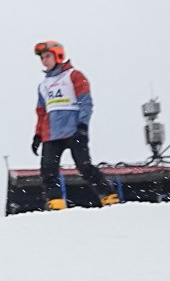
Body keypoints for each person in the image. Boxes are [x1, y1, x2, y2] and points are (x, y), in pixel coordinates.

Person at [31, 41, 115, 209]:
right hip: (52, 134)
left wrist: (83, 126)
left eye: (47, 56)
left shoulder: (73, 75)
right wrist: (38, 135)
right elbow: (41, 113)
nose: (44, 61)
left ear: (58, 56)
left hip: (74, 130)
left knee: (84, 166)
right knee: (48, 170)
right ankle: (56, 203)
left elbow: (86, 102)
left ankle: (109, 196)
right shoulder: (43, 86)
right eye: (42, 58)